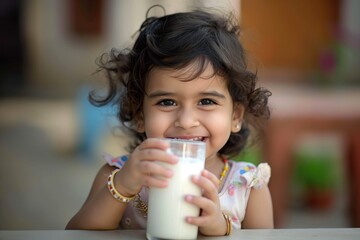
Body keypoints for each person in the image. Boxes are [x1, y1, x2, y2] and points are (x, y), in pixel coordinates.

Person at [66, 6, 274, 236]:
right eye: (166, 102)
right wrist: (123, 187)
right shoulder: (117, 174)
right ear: (139, 116)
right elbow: (75, 233)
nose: (186, 121)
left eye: (206, 101)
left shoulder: (248, 187)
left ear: (235, 116)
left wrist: (221, 226)